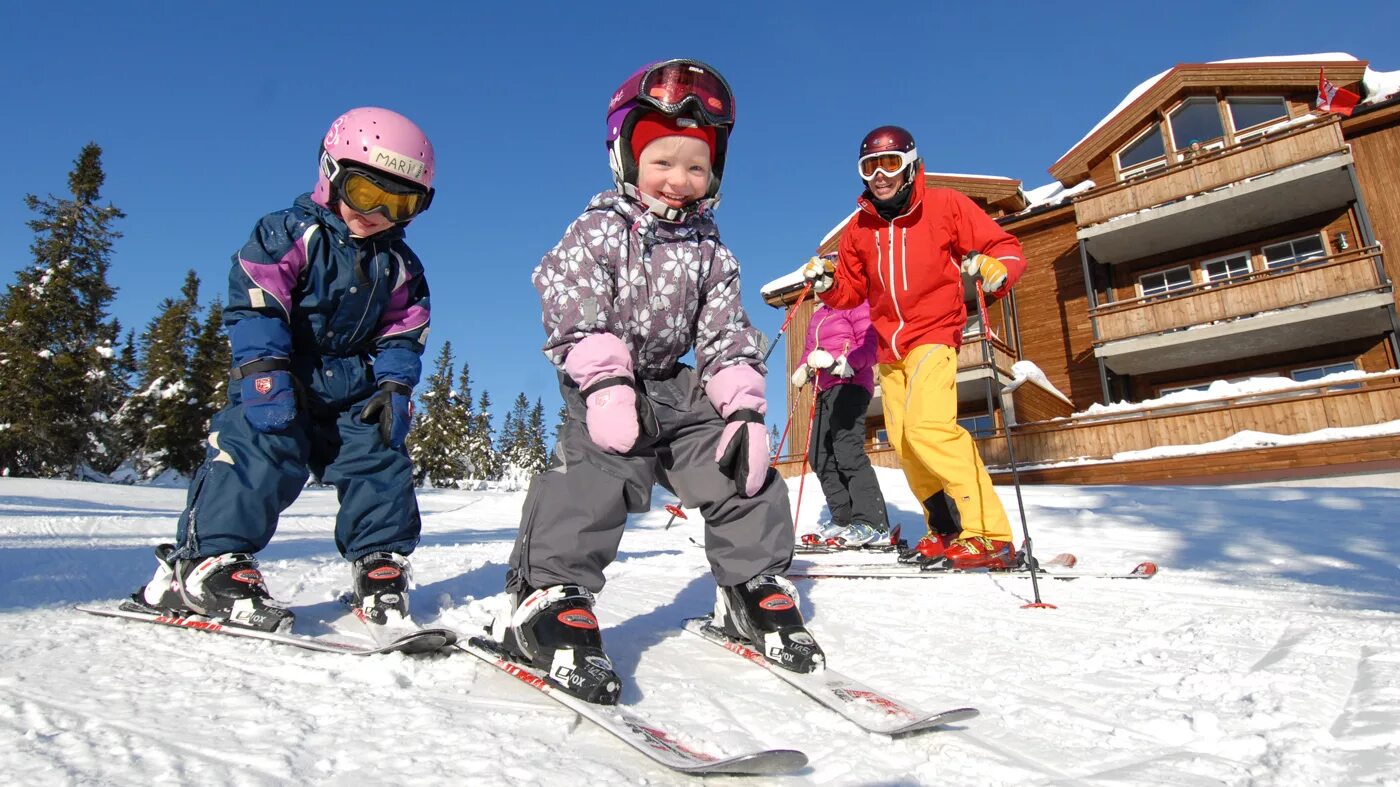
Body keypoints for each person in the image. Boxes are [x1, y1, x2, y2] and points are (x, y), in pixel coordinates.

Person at [491, 59, 824, 705]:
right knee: (597, 474)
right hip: (603, 385)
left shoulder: (713, 252)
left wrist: (745, 411)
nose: (679, 179)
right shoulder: (599, 228)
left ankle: (750, 587)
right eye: (662, 162)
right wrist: (605, 379)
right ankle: (546, 595)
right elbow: (568, 296)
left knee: (740, 468)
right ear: (627, 158)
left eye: (695, 166)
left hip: (675, 385)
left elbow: (726, 333)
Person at [130, 107, 436, 637]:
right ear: (332, 174)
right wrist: (265, 367)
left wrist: (394, 384)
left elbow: (403, 329)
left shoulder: (400, 265)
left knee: (378, 458)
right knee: (259, 447)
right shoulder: (290, 232)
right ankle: (206, 563)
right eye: (368, 193)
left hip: (352, 384)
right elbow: (257, 300)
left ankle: (379, 560)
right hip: (285, 372)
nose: (380, 212)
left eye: (401, 202)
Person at [803, 125, 1027, 570]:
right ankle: (947, 530)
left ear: (909, 164)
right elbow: (851, 291)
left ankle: (989, 534)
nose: (880, 175)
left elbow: (1003, 246)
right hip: (889, 350)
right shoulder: (859, 229)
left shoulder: (945, 205)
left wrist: (996, 266)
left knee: (929, 428)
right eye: (870, 166)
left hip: (934, 334)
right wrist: (828, 284)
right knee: (905, 444)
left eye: (890, 164)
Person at [790, 301, 890, 547]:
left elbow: (870, 346)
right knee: (818, 455)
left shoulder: (858, 305)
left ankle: (872, 523)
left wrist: (841, 362)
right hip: (823, 389)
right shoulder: (818, 315)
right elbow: (809, 350)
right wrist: (804, 367)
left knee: (847, 451)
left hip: (851, 384)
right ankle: (843, 518)